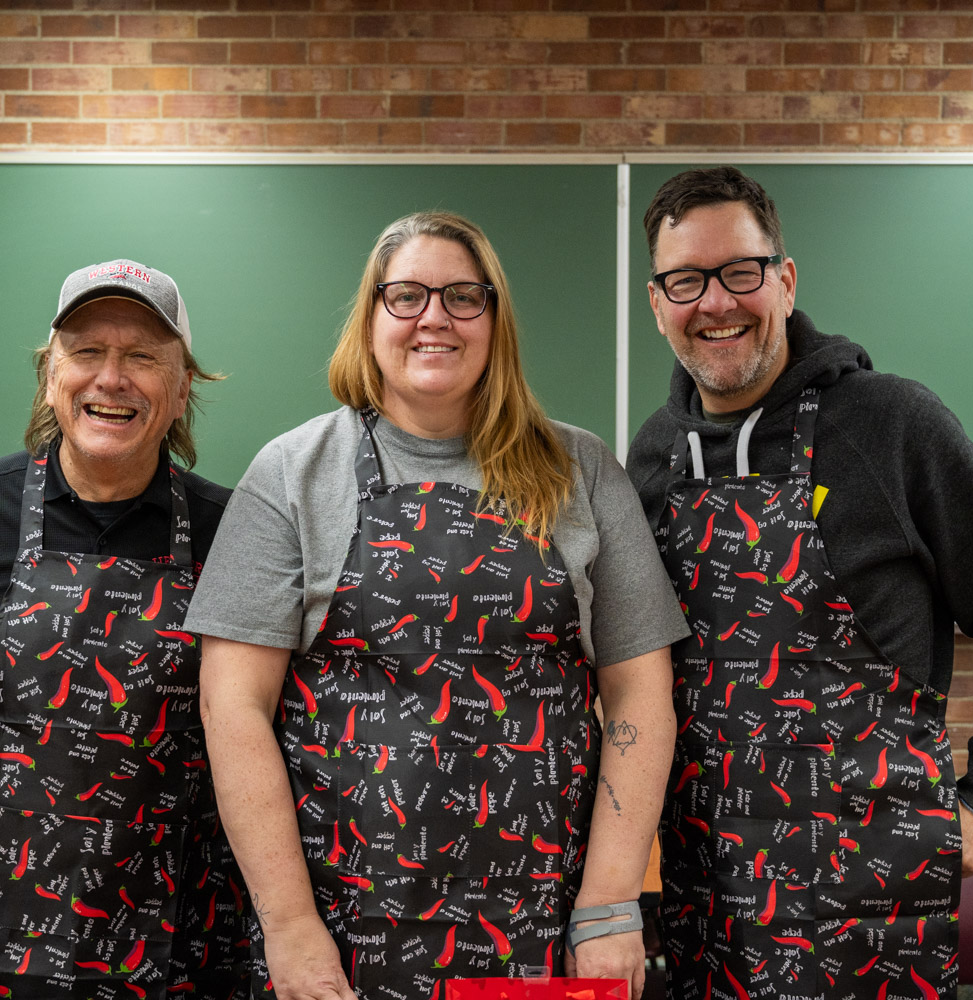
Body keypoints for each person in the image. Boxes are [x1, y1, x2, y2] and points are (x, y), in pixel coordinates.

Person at [186, 212, 688, 1000]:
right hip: (343, 926)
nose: (435, 318)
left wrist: (609, 902)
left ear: (495, 319)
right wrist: (288, 926)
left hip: (541, 926)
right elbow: (232, 707)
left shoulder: (579, 468)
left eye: (463, 296)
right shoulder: (292, 472)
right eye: (406, 296)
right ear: (371, 317)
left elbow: (640, 691)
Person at [626, 167, 973, 999]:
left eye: (741, 271)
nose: (715, 302)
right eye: (685, 280)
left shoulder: (894, 422)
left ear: (786, 280)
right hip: (708, 890)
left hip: (871, 895)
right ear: (658, 304)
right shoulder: (654, 455)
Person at [0, 260, 248, 998]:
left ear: (184, 385)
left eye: (142, 357)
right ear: (49, 373)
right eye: (86, 351)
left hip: (175, 950)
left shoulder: (239, 532)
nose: (111, 378)